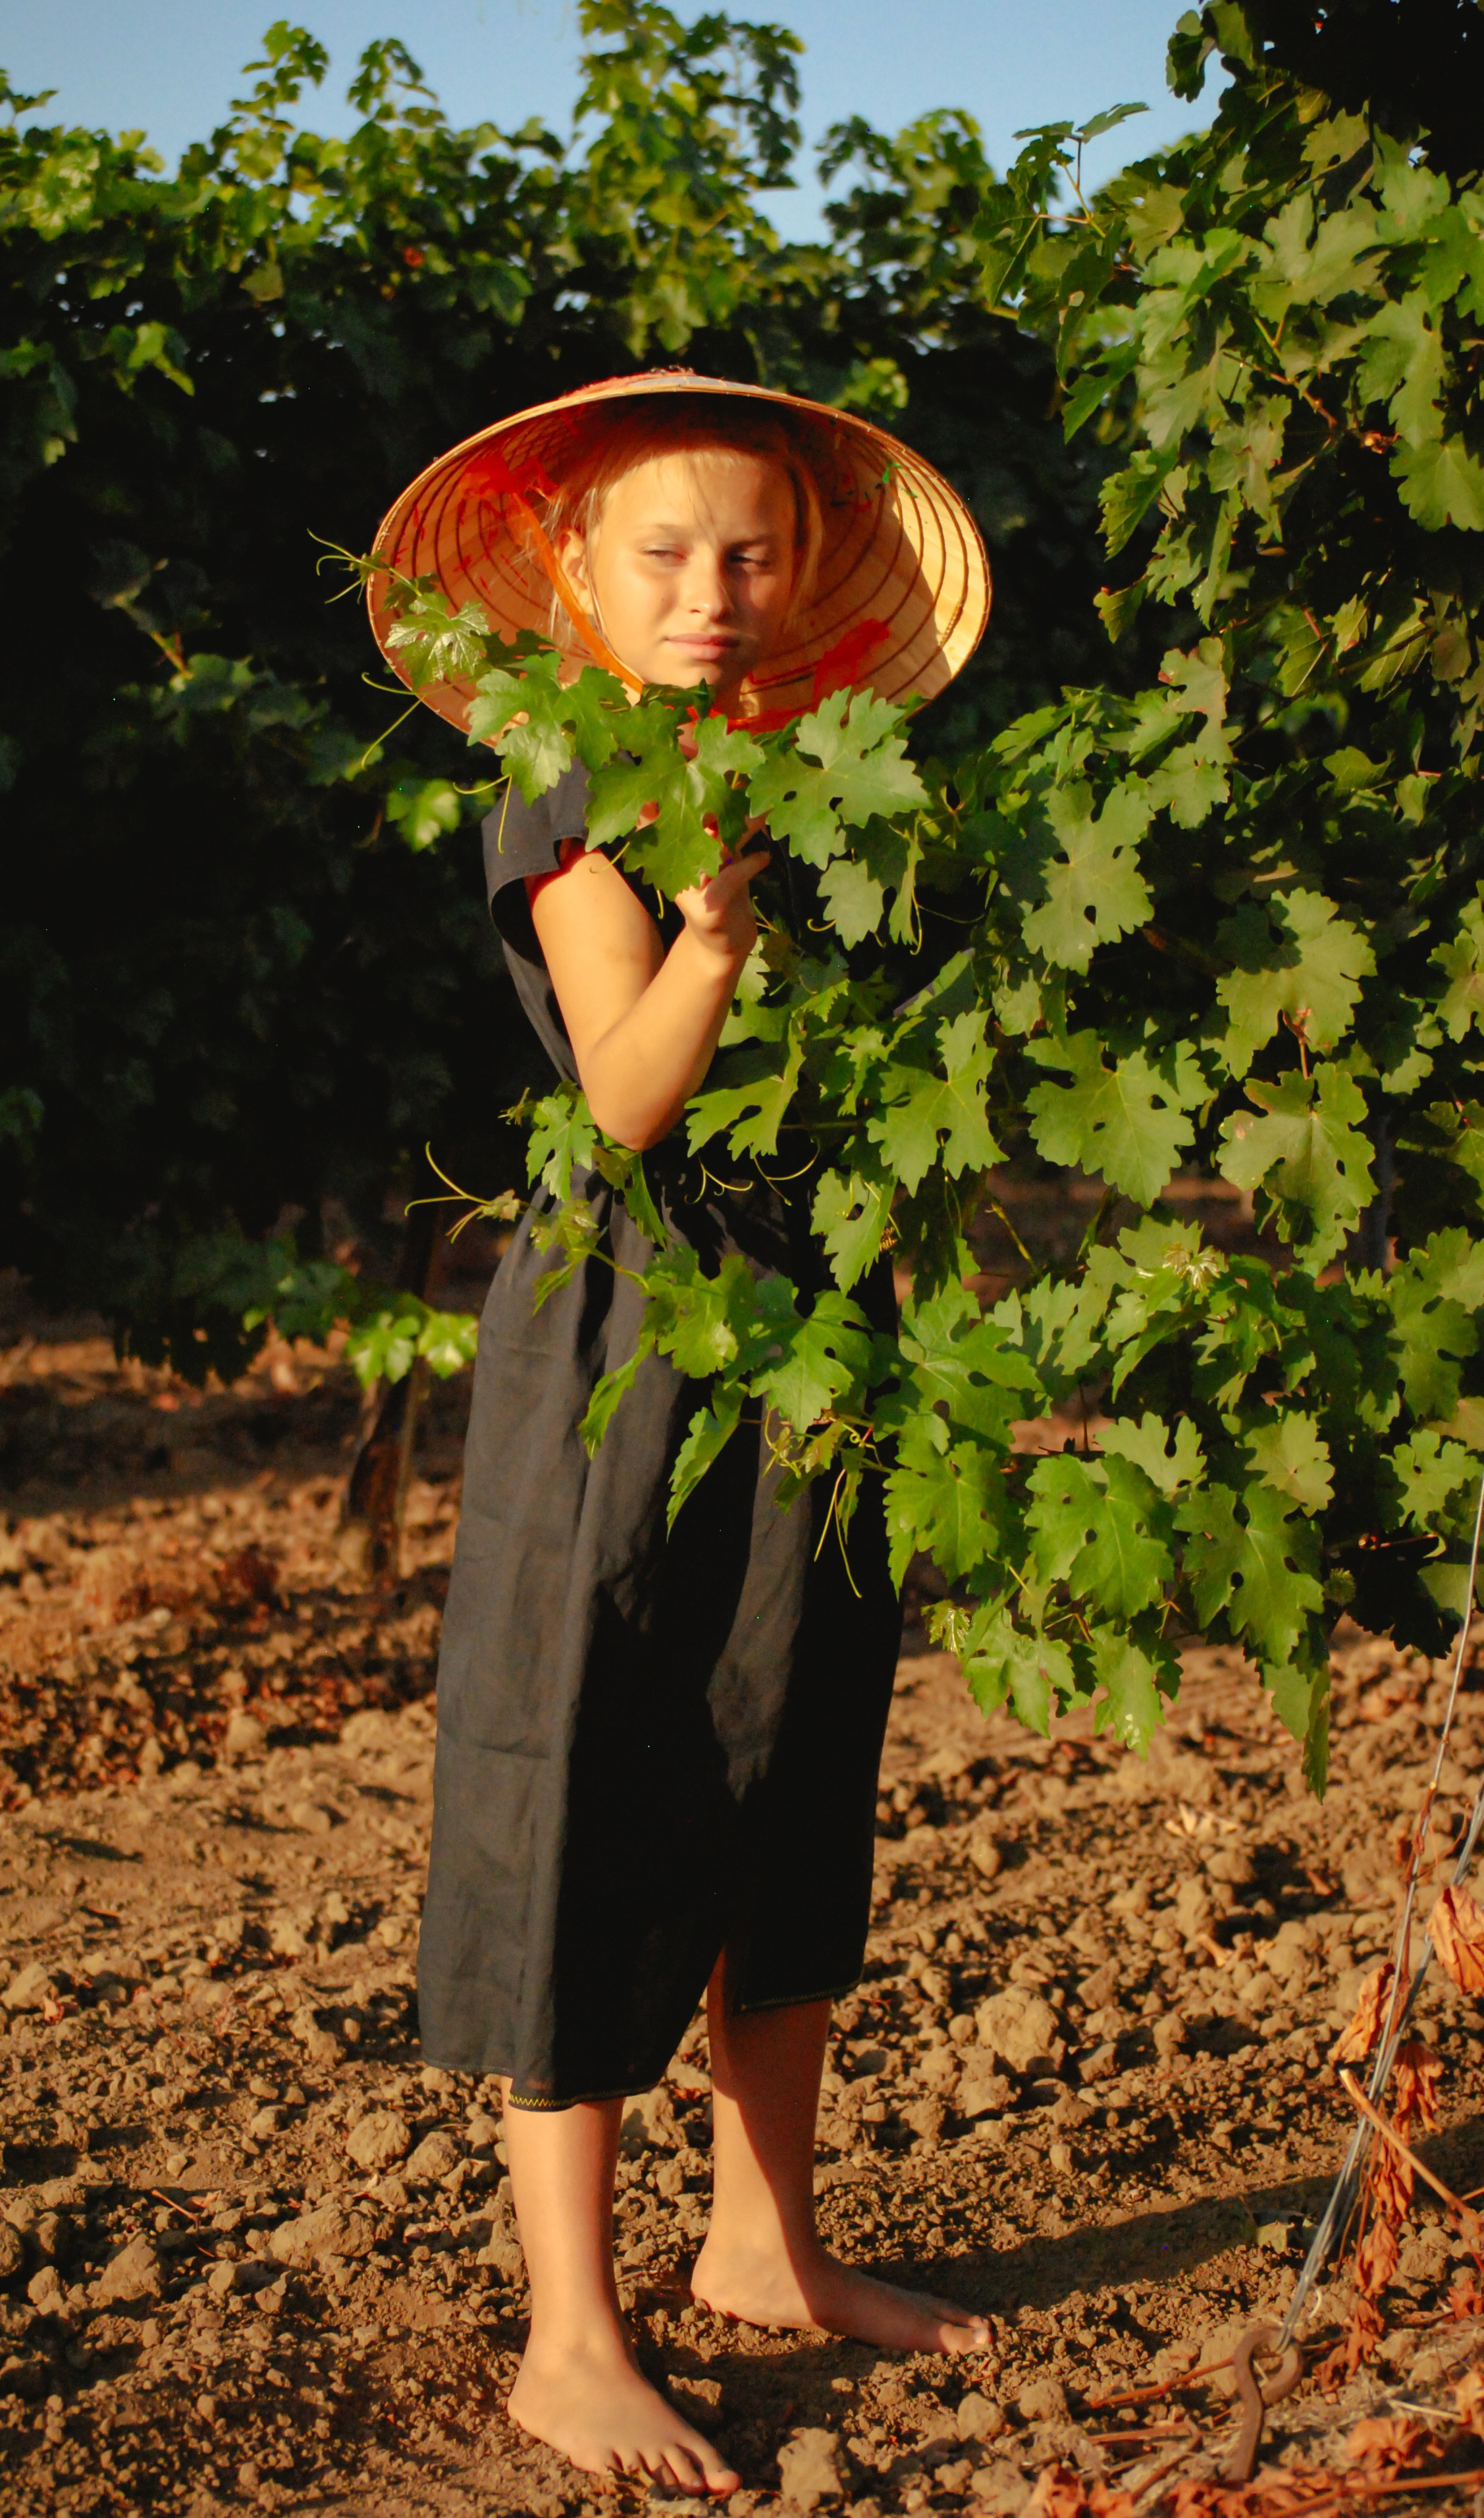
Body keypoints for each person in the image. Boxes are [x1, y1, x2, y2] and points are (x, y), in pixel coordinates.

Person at [367, 374, 994, 2496]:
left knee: (792, 1768)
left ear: (808, 567)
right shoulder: (571, 789)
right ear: (572, 570)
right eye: (662, 556)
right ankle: (569, 2335)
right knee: (601, 1788)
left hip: (809, 1326)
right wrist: (720, 919)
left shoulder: (838, 775)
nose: (710, 598)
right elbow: (625, 1104)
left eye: (748, 555)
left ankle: (765, 2247)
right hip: (632, 1343)